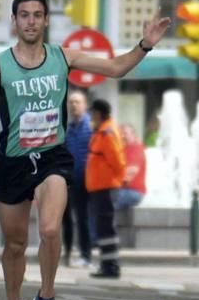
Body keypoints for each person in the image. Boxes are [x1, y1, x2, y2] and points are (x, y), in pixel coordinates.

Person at [0, 0, 170, 300]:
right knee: (16, 245)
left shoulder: (63, 57)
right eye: (24, 15)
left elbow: (115, 68)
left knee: (51, 228)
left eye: (38, 14)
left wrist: (144, 45)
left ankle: (47, 298)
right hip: (13, 162)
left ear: (47, 20)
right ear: (15, 20)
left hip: (53, 156)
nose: (31, 21)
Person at [85, 99, 126, 278]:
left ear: (100, 113)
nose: (91, 116)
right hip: (101, 188)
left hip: (106, 188)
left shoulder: (107, 133)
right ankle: (107, 264)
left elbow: (118, 162)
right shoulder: (101, 131)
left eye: (93, 112)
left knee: (107, 228)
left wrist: (114, 180)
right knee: (103, 227)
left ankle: (111, 266)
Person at [61, 90, 93, 267]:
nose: (74, 105)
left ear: (84, 105)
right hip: (68, 180)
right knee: (66, 219)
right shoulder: (67, 128)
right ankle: (67, 252)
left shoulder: (90, 127)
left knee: (83, 218)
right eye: (71, 102)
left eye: (77, 102)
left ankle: (85, 254)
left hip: (85, 181)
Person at [116, 122, 146, 211]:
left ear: (133, 134)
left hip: (134, 192)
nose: (122, 136)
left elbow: (131, 172)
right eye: (120, 134)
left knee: (107, 201)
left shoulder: (136, 148)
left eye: (125, 133)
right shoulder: (122, 149)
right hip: (124, 190)